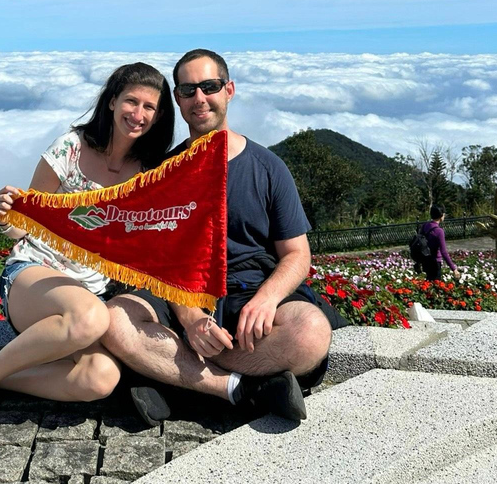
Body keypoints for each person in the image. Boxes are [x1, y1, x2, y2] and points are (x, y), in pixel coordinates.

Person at [0, 62, 175, 442]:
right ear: (112, 101)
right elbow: (26, 222)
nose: (138, 114)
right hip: (34, 275)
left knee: (100, 378)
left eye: (149, 107)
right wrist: (3, 217)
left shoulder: (147, 172)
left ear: (159, 114)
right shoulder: (71, 147)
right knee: (89, 317)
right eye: (131, 101)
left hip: (88, 296)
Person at [100, 49, 334, 426]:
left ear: (228, 90)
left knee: (310, 332)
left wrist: (267, 300)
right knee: (113, 319)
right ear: (177, 99)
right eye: (188, 90)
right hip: (178, 293)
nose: (199, 98)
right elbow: (159, 261)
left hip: (248, 292)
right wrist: (190, 318)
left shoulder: (268, 168)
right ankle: (242, 388)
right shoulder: (164, 172)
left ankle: (174, 378)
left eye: (209, 87)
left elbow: (296, 254)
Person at [418, 204, 460, 281]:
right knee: (436, 286)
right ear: (442, 215)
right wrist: (454, 269)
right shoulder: (439, 231)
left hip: (426, 261)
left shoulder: (425, 226)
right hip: (435, 263)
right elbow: (443, 252)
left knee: (427, 284)